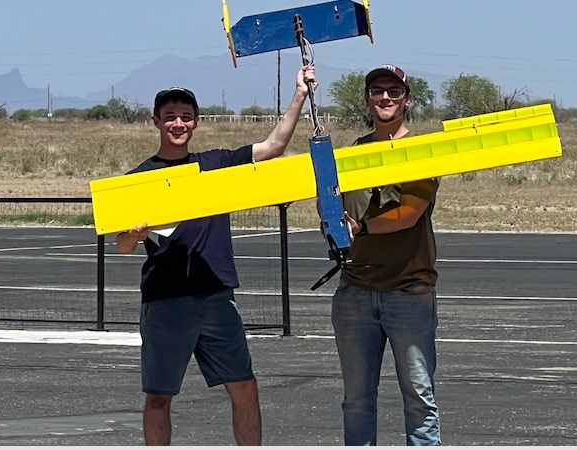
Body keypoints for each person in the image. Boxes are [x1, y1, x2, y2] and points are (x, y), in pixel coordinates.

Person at [114, 65, 317, 446]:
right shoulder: (138, 178)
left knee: (244, 388)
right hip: (165, 301)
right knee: (159, 397)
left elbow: (273, 148)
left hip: (216, 297)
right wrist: (134, 233)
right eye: (170, 116)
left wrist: (299, 95)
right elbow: (123, 245)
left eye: (186, 117)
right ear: (156, 121)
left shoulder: (216, 164)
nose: (178, 123)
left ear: (197, 123)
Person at [327, 64, 442, 446]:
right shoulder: (352, 154)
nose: (385, 98)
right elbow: (334, 209)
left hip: (408, 292)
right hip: (355, 292)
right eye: (377, 91)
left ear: (407, 99)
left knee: (419, 399)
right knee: (356, 401)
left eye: (394, 91)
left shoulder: (420, 153)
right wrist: (329, 213)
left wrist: (362, 227)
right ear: (367, 99)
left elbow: (409, 214)